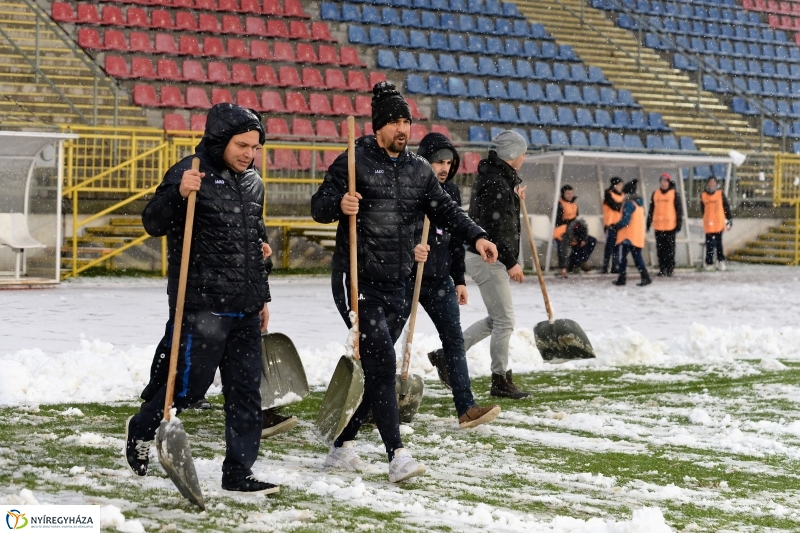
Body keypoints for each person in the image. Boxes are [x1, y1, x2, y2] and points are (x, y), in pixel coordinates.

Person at [311, 82, 498, 483]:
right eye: (395, 120)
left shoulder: (418, 169)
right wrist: (339, 205)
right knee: (383, 363)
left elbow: (447, 211)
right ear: (379, 125)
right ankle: (396, 454)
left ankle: (341, 443)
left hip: (399, 281)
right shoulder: (354, 160)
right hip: (358, 280)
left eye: (407, 121)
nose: (402, 128)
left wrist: (477, 236)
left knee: (375, 366)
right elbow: (318, 207)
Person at [123, 103, 278, 494]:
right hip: (203, 304)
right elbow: (152, 222)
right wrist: (178, 193)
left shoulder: (252, 182)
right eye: (242, 145)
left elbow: (255, 235)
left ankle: (238, 471)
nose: (249, 154)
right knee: (190, 388)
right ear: (220, 140)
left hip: (245, 304)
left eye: (255, 147)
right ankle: (142, 426)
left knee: (246, 392)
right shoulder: (189, 171)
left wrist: (263, 292)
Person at [138, 238, 299, 439]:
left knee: (242, 362)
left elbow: (254, 234)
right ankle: (156, 404)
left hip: (242, 288)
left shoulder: (248, 209)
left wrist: (261, 293)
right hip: (200, 288)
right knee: (185, 348)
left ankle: (255, 415)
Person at [410, 132, 501, 430]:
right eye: (438, 161)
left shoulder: (450, 192)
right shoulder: (408, 187)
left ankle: (466, 407)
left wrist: (458, 279)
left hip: (439, 280)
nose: (444, 167)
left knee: (454, 341)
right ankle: (372, 404)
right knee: (382, 343)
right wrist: (411, 248)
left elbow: (453, 240)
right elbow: (392, 230)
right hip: (407, 277)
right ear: (425, 160)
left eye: (449, 162)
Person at [462, 130, 531, 400]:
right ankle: (499, 380)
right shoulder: (496, 182)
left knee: (497, 319)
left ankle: (448, 354)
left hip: (486, 256)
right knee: (505, 321)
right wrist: (512, 262)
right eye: (523, 152)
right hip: (487, 257)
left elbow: (494, 215)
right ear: (513, 155)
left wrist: (515, 198)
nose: (525, 157)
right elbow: (495, 226)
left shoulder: (497, 179)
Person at [612, 179, 651, 287]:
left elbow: (625, 220)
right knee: (637, 257)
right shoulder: (639, 204)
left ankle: (623, 278)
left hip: (627, 236)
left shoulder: (628, 204)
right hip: (637, 235)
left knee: (623, 258)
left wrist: (615, 226)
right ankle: (644, 276)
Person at [646, 172, 683, 277]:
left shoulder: (674, 194)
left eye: (665, 181)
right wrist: (648, 223)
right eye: (661, 181)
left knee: (670, 249)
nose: (663, 184)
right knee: (660, 249)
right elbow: (651, 209)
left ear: (669, 182)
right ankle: (662, 268)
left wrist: (679, 223)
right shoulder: (655, 193)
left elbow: (679, 210)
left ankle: (670, 268)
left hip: (670, 227)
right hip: (658, 226)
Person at [553, 185, 591, 278]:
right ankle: (564, 267)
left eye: (571, 193)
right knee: (563, 244)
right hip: (562, 230)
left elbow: (577, 219)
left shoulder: (575, 205)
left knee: (590, 241)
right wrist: (571, 222)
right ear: (563, 194)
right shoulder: (559, 204)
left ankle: (576, 263)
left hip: (574, 229)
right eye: (568, 193)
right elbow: (558, 220)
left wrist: (581, 236)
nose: (570, 195)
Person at [701, 176, 733, 271]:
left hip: (718, 223)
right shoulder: (703, 195)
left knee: (719, 244)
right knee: (709, 245)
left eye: (713, 182)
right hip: (709, 224)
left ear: (716, 184)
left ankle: (721, 261)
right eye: (710, 182)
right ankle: (709, 262)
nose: (712, 184)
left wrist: (729, 221)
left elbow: (726, 208)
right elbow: (703, 209)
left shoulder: (720, 194)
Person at [601, 177, 624, 274]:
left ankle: (615, 266)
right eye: (618, 185)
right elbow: (614, 206)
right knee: (609, 247)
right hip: (610, 224)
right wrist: (622, 206)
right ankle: (605, 266)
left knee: (617, 247)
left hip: (619, 225)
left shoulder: (623, 195)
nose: (620, 187)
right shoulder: (608, 194)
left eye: (621, 185)